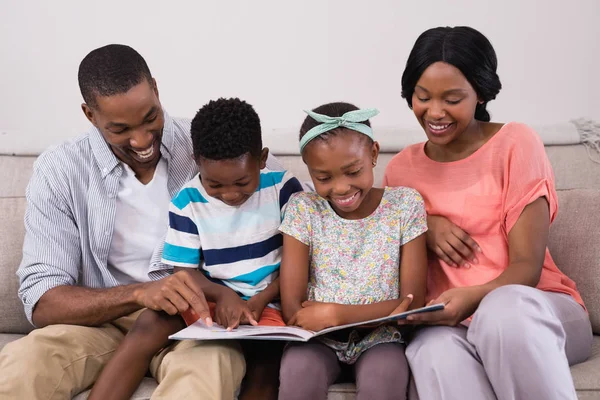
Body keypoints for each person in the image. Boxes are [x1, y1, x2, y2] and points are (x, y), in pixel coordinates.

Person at [0, 45, 283, 399]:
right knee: (21, 367)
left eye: (151, 118)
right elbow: (42, 301)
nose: (142, 140)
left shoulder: (206, 147)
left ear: (156, 89)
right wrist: (138, 294)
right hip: (97, 326)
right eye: (120, 129)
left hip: (196, 326)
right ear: (90, 115)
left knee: (207, 373)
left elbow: (271, 195)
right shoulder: (60, 170)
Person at [383, 26, 593, 400]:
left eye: (452, 99)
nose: (435, 112)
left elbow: (526, 269)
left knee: (502, 313)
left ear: (480, 93)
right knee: (432, 352)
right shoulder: (400, 170)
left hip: (536, 309)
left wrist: (473, 297)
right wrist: (425, 224)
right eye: (422, 96)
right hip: (452, 326)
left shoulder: (515, 143)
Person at [89, 97, 303, 400]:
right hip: (212, 301)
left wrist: (261, 299)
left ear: (262, 158)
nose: (229, 194)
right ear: (196, 161)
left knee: (266, 363)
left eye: (242, 182)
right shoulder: (188, 201)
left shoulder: (285, 190)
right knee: (150, 321)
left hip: (270, 304)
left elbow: (301, 263)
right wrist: (223, 295)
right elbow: (184, 274)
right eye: (214, 185)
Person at [277, 102, 428, 400]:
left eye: (352, 171)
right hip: (316, 341)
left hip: (382, 339)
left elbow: (412, 305)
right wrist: (378, 311)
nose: (342, 188)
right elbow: (293, 309)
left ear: (373, 154)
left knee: (384, 381)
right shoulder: (303, 209)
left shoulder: (405, 205)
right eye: (324, 178)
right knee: (297, 374)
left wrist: (335, 314)